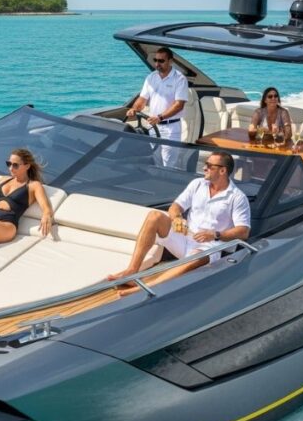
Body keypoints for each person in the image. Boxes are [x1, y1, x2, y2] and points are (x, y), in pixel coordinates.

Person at [107, 151, 250, 293]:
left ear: (222, 170)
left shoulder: (237, 197)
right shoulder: (197, 184)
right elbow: (175, 207)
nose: (204, 168)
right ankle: (132, 271)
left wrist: (215, 234)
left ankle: (145, 288)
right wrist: (176, 218)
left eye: (209, 165)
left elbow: (243, 231)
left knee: (198, 255)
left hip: (210, 246)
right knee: (154, 216)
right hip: (185, 237)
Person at [126, 47, 189, 167]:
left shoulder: (180, 79)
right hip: (153, 127)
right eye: (155, 60)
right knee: (156, 161)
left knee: (169, 165)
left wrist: (160, 117)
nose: (157, 64)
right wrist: (135, 109)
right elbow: (142, 99)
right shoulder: (151, 77)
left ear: (170, 61)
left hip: (171, 128)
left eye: (161, 61)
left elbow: (179, 105)